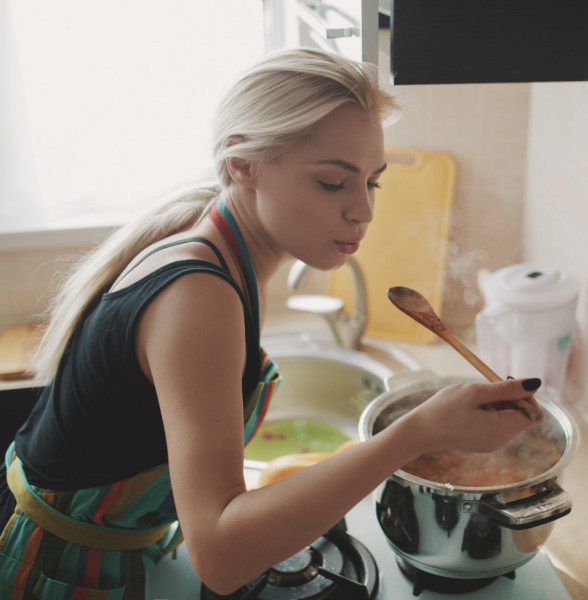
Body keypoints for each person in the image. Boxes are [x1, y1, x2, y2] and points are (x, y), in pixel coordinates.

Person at [0, 47, 543, 599]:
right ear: (243, 165)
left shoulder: (220, 247)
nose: (364, 211)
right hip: (60, 569)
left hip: (120, 545)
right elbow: (220, 557)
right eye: (334, 183)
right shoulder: (199, 295)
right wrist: (416, 433)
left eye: (372, 182)